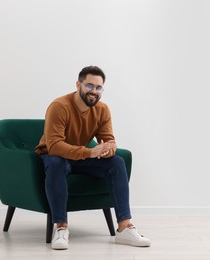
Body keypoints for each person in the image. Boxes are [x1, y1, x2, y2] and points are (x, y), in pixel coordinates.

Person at [35, 66, 151, 250]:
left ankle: (124, 227)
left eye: (99, 88)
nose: (94, 91)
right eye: (89, 86)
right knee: (56, 163)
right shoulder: (59, 106)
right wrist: (90, 152)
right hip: (56, 155)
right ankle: (61, 227)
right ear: (78, 84)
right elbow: (54, 145)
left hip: (80, 158)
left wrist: (107, 151)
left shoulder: (102, 109)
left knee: (117, 162)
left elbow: (109, 140)